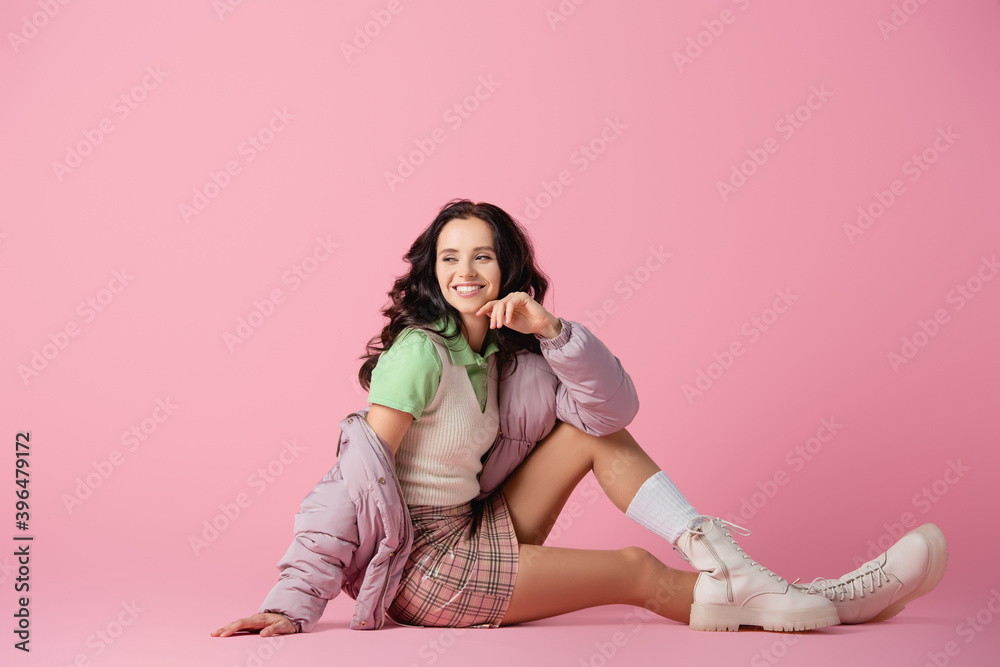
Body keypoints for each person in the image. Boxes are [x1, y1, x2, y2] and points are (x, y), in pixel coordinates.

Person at [212, 199, 947, 638]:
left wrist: (553, 329)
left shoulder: (513, 357)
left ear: (509, 269)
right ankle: (820, 597)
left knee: (590, 429)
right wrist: (290, 604)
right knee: (632, 569)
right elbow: (351, 481)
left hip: (473, 526)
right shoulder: (417, 355)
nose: (464, 271)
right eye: (449, 258)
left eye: (483, 257)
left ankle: (765, 582)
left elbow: (612, 411)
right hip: (424, 567)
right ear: (432, 270)